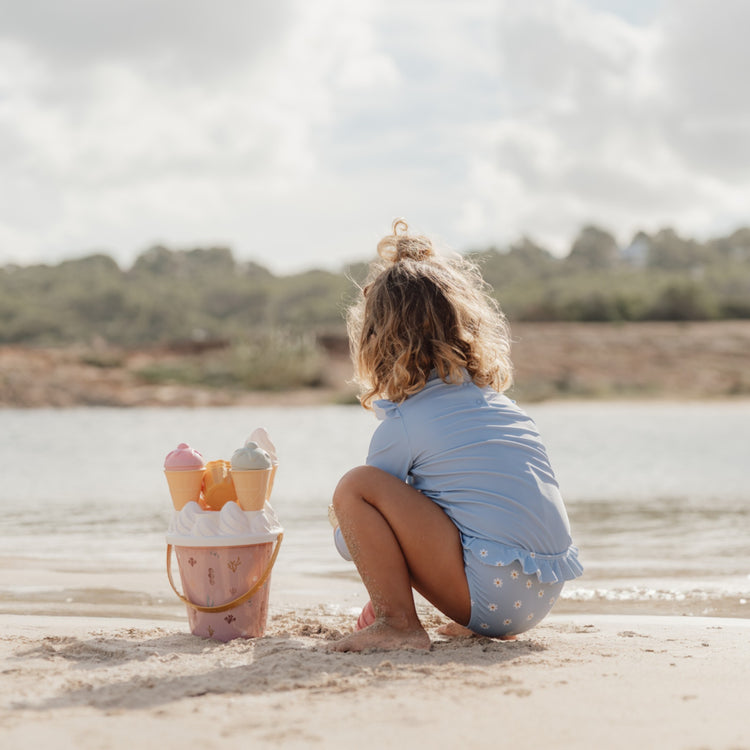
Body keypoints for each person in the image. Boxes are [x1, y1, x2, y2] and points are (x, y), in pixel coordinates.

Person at [329, 219, 582, 652]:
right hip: (543, 594)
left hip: (493, 594)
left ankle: (398, 624)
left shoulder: (404, 423)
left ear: (378, 340)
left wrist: (341, 521)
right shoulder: (503, 407)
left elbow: (353, 543)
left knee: (355, 489)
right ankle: (456, 618)